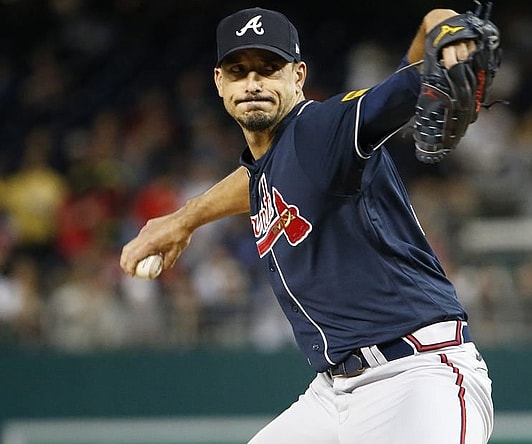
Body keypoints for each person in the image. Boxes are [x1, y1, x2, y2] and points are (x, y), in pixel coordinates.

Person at [121, 6, 494, 443]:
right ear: (219, 83)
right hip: (332, 394)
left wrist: (439, 19)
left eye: (269, 68)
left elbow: (400, 88)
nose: (253, 83)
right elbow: (257, 179)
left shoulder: (323, 127)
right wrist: (184, 220)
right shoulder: (273, 164)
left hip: (416, 378)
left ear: (298, 76)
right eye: (238, 71)